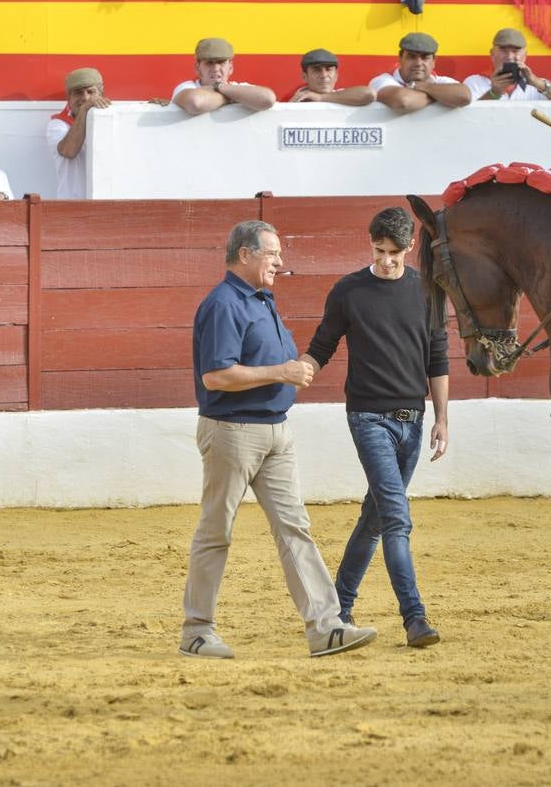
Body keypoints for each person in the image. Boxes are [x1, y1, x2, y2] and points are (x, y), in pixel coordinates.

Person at [181, 220, 378, 660]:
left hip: (275, 432)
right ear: (245, 254)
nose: (280, 261)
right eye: (272, 253)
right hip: (232, 432)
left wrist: (291, 370)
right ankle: (196, 631)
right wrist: (282, 372)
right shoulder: (224, 304)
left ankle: (326, 628)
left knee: (295, 528)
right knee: (217, 531)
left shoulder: (260, 300)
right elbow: (216, 375)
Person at [301, 207, 450, 649]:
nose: (386, 260)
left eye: (394, 252)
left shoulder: (428, 291)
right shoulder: (348, 291)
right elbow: (322, 345)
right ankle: (415, 617)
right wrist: (299, 370)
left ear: (408, 248)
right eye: (379, 250)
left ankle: (338, 609)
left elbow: (437, 358)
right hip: (367, 418)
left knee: (376, 519)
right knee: (397, 519)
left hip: (413, 418)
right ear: (371, 244)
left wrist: (442, 417)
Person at [462, 27, 551, 112]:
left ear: (525, 55)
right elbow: (467, 120)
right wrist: (494, 93)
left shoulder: (537, 84)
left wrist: (536, 82)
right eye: (503, 50)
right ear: (492, 54)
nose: (510, 56)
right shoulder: (474, 82)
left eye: (516, 51)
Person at [46, 67, 109, 200]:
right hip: (71, 207)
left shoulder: (112, 121)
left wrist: (161, 108)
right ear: (69, 97)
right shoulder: (57, 125)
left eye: (90, 92)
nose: (85, 98)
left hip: (106, 205)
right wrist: (85, 110)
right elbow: (69, 152)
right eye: (78, 93)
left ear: (101, 94)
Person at [369, 32, 471, 113]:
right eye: (411, 57)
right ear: (400, 58)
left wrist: (419, 87)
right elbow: (404, 101)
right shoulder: (382, 80)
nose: (418, 63)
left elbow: (464, 96)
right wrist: (441, 96)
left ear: (433, 61)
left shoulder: (440, 80)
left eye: (425, 57)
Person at [171, 37, 277, 114]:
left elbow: (267, 98)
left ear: (230, 67)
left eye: (221, 62)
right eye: (209, 62)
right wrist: (233, 97)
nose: (216, 68)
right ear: (197, 68)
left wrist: (221, 88)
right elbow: (195, 103)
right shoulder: (187, 87)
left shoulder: (237, 86)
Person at [289, 48, 376, 104]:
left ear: (336, 76)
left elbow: (369, 94)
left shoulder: (344, 95)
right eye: (316, 70)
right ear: (304, 77)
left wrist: (321, 98)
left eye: (329, 69)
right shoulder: (295, 101)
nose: (324, 75)